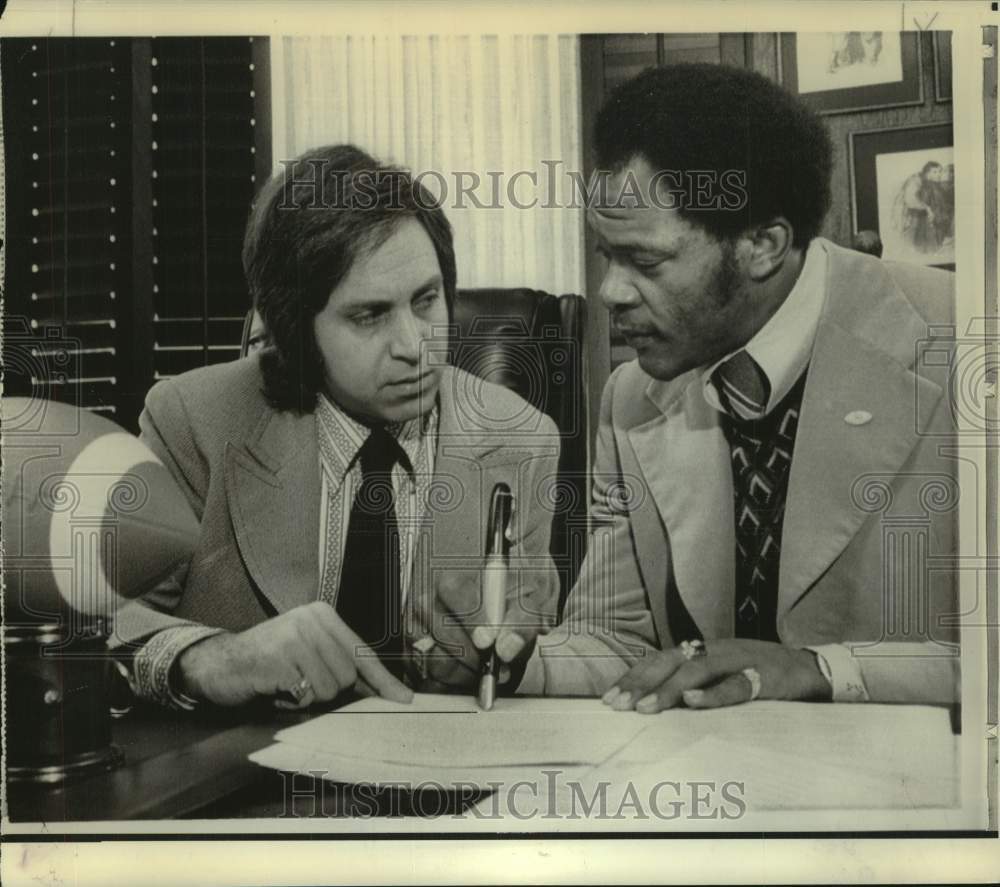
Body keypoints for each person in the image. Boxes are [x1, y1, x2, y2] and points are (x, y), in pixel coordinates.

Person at [517, 63, 958, 709]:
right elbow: (616, 642)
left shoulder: (970, 342)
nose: (609, 291)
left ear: (762, 245)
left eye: (645, 260)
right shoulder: (629, 396)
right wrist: (504, 657)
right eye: (606, 255)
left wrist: (819, 669)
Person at [112, 144, 560, 710]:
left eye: (426, 301)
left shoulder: (521, 438)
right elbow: (92, 619)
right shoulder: (194, 420)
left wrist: (514, 653)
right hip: (250, 780)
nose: (415, 347)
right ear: (296, 329)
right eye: (368, 316)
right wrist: (207, 657)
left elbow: (532, 629)